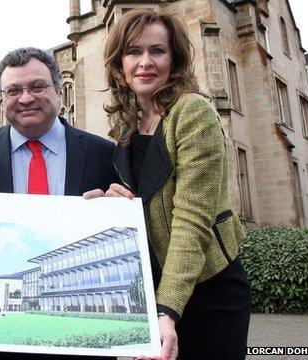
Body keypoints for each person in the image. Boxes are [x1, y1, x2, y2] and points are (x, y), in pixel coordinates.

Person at [87, 8, 251, 360]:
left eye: (157, 51)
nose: (145, 62)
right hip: (159, 289)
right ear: (119, 64)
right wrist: (114, 204)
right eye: (133, 52)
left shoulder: (192, 112)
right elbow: (146, 203)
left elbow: (192, 219)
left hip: (210, 291)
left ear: (173, 59)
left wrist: (168, 311)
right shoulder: (127, 127)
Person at [0, 47, 115, 360]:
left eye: (37, 86)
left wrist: (119, 208)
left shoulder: (102, 153)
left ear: (58, 91)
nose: (25, 98)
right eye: (13, 90)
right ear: (2, 99)